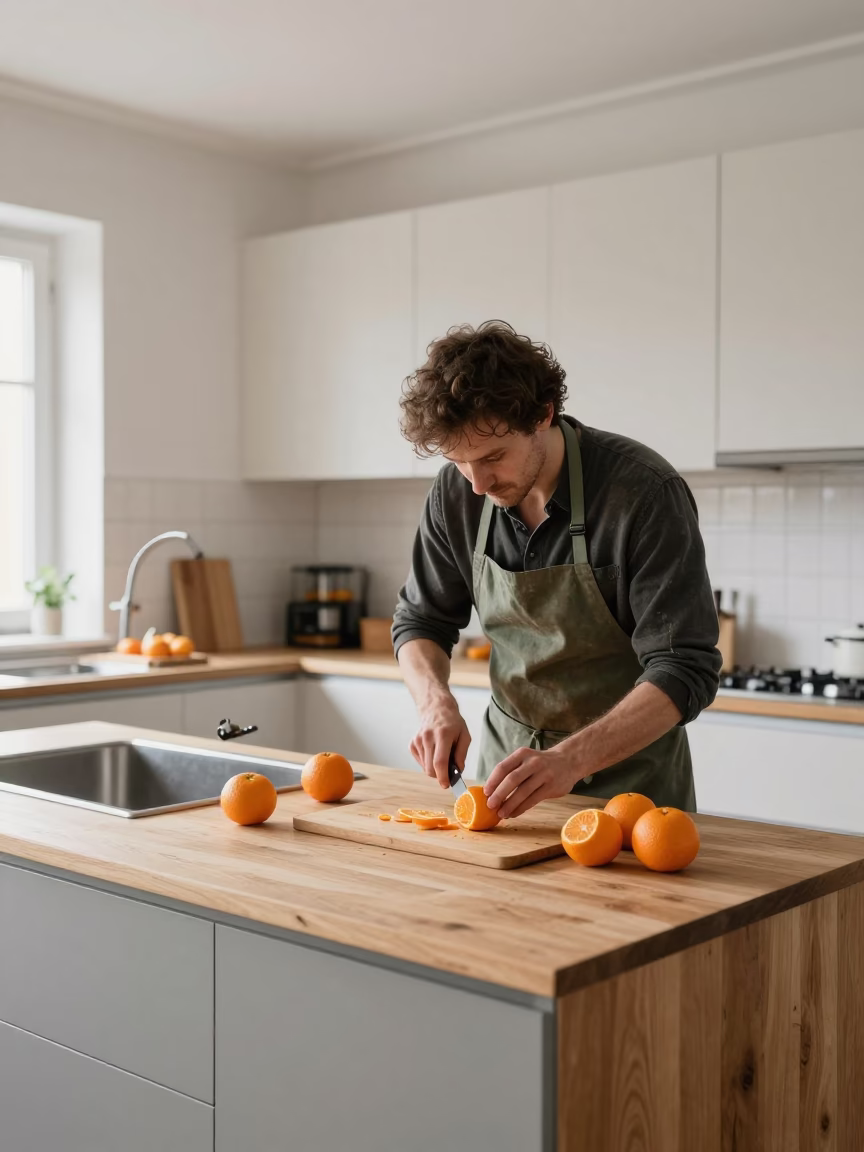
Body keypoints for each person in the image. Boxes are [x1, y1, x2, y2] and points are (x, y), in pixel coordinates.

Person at [392, 321, 721, 820]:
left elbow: (685, 667)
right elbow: (420, 621)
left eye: (493, 457)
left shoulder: (644, 492)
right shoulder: (456, 494)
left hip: (633, 791)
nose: (477, 484)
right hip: (505, 786)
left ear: (543, 415)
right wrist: (434, 702)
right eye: (460, 462)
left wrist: (569, 760)